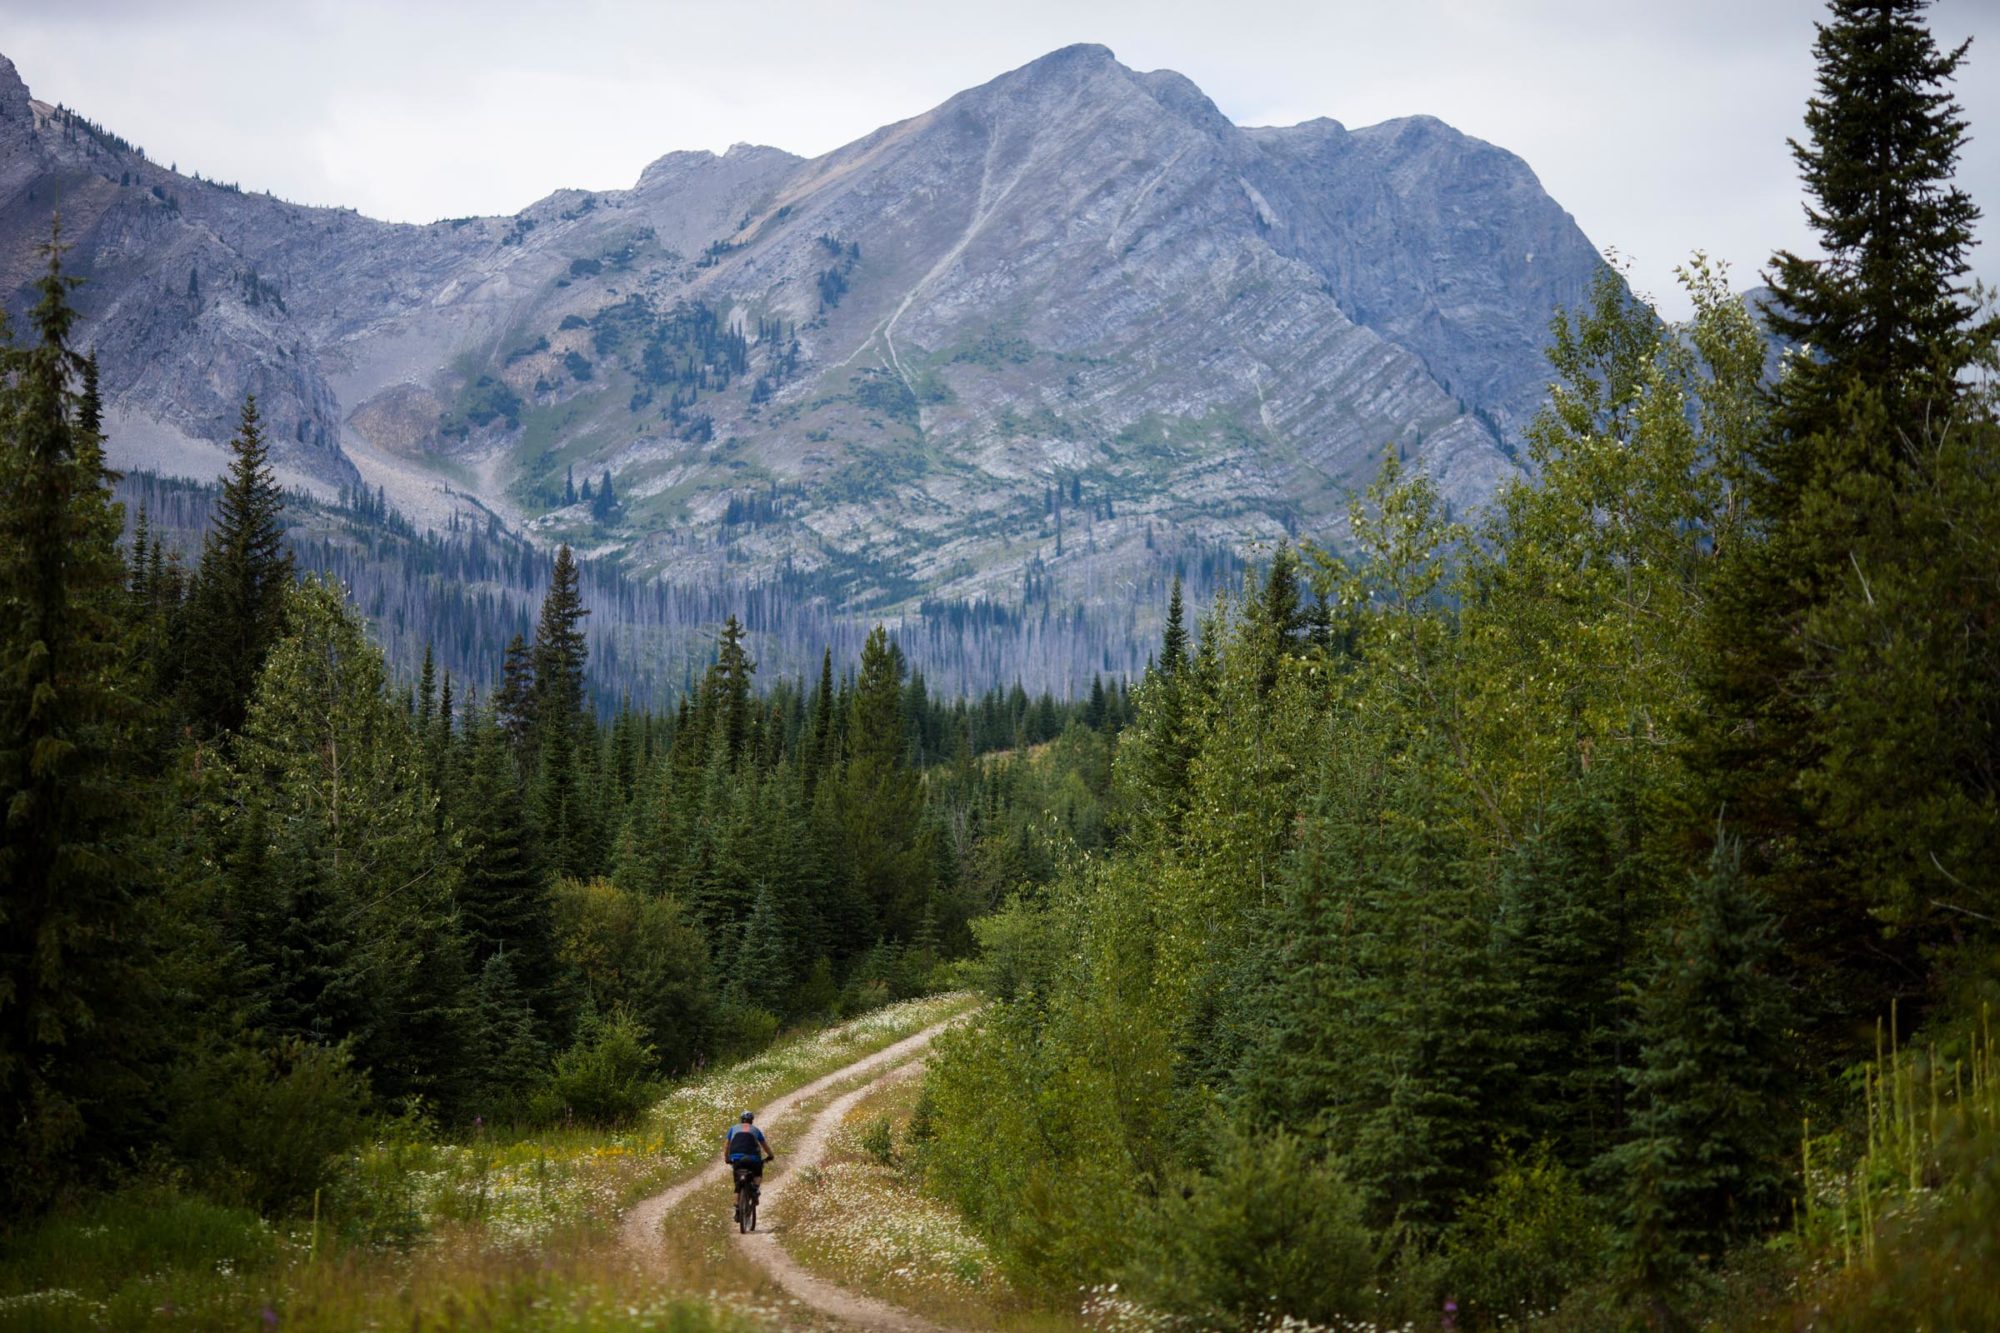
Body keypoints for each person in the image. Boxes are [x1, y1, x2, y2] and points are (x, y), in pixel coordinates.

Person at [724, 1110, 775, 1200]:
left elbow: (727, 1145)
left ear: (741, 1120)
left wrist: (727, 1158)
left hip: (736, 1157)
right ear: (752, 1120)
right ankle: (755, 1188)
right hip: (753, 1158)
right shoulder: (755, 1130)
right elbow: (765, 1146)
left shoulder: (733, 1129)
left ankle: (737, 1207)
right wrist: (770, 1155)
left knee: (737, 1184)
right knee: (758, 1173)